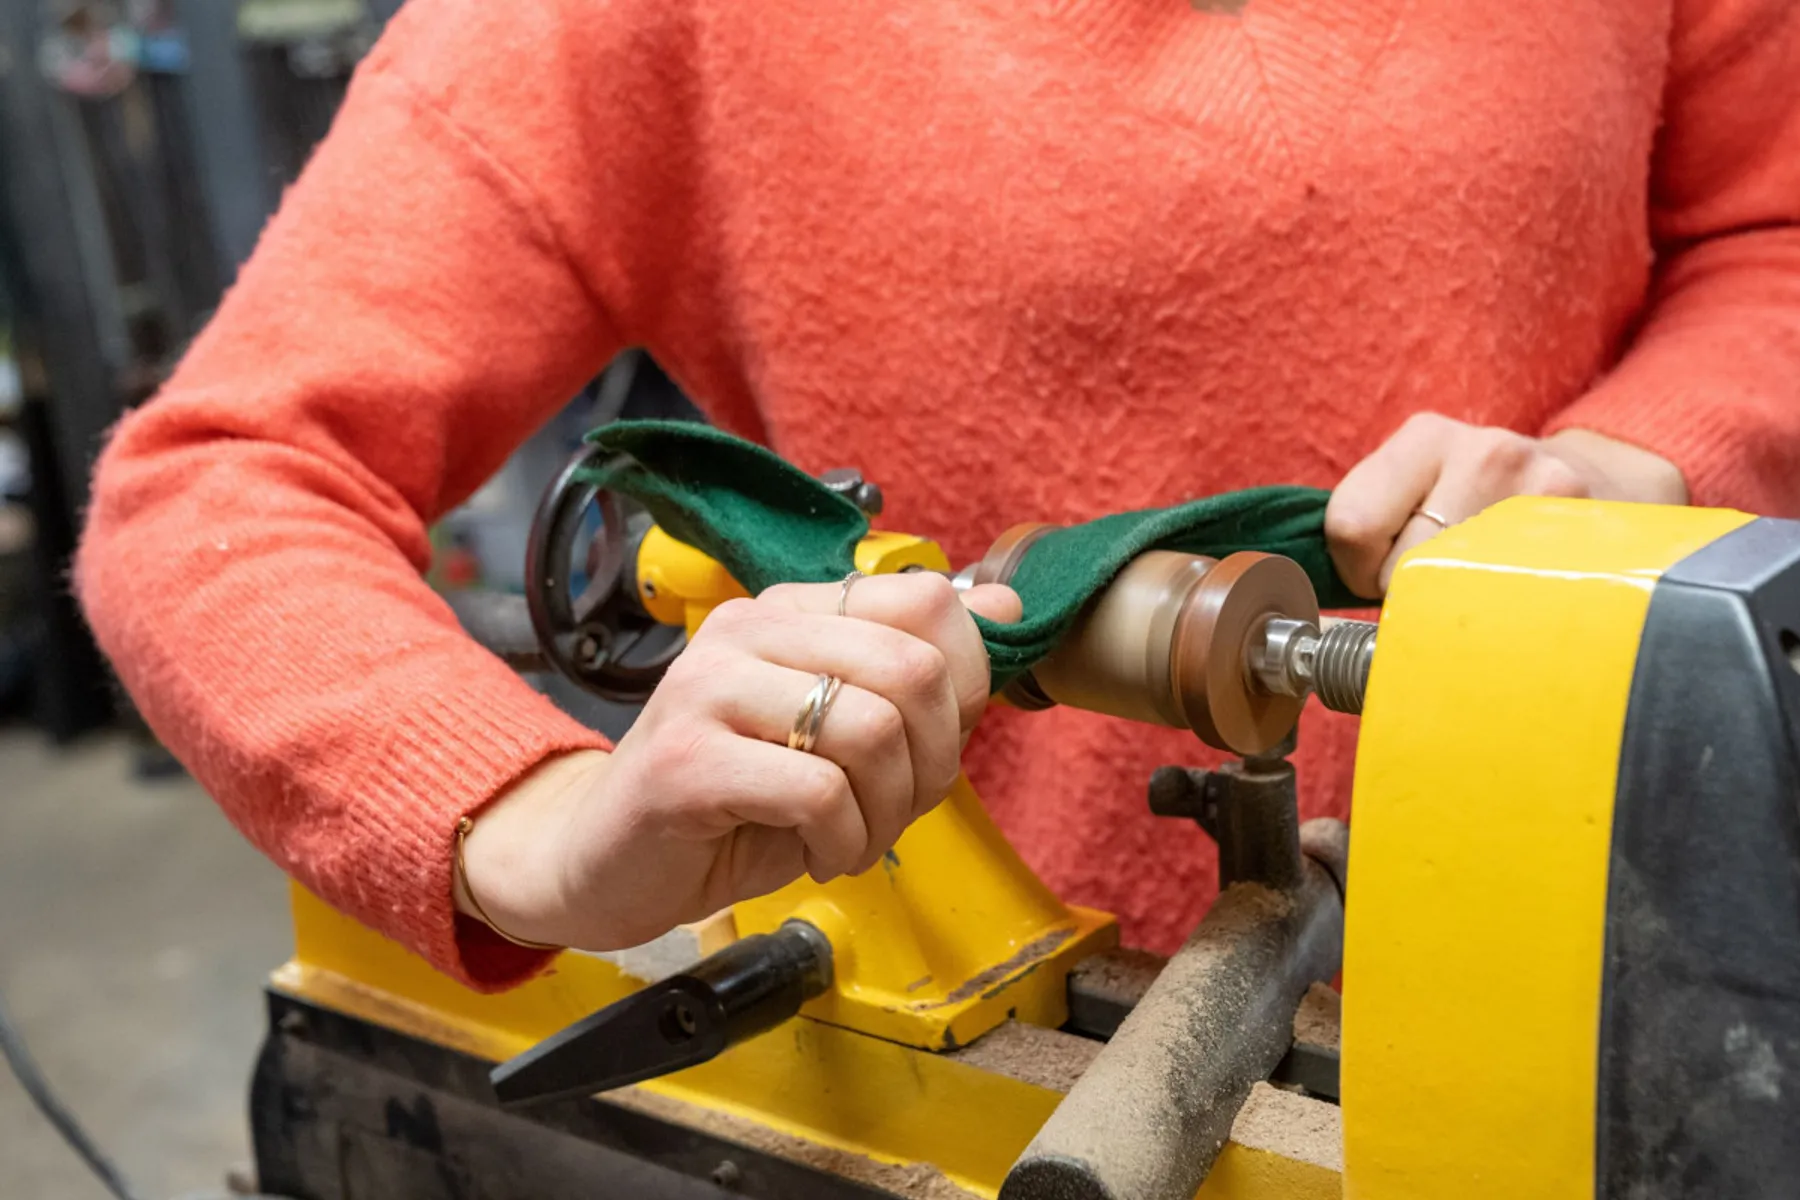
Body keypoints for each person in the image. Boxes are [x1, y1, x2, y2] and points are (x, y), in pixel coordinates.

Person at [75, 0, 1800, 988]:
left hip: (1643, 941)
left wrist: (1633, 458)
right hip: (1002, 1029)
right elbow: (222, 476)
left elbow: (1768, 236)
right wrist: (523, 827)